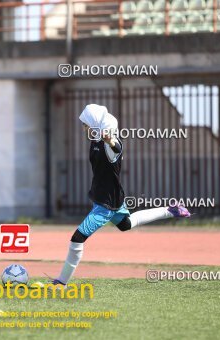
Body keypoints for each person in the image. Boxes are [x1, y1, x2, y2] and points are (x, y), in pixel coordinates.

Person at [53, 104, 190, 286]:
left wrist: (110, 140)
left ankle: (61, 282)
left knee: (77, 238)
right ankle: (171, 210)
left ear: (95, 125)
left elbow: (116, 147)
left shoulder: (110, 144)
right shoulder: (95, 141)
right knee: (126, 224)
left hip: (106, 205)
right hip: (109, 197)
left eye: (86, 124)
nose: (83, 128)